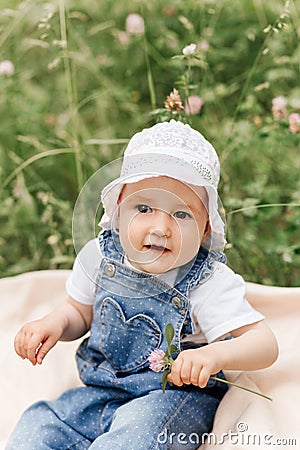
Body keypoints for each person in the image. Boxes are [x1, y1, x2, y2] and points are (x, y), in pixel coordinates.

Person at [6, 120, 278, 450]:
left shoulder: (206, 281)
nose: (161, 228)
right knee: (40, 424)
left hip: (170, 399)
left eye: (182, 214)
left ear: (206, 228)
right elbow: (78, 312)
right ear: (118, 210)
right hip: (100, 390)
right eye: (144, 208)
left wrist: (214, 355)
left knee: (136, 437)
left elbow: (264, 343)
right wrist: (53, 323)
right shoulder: (100, 257)